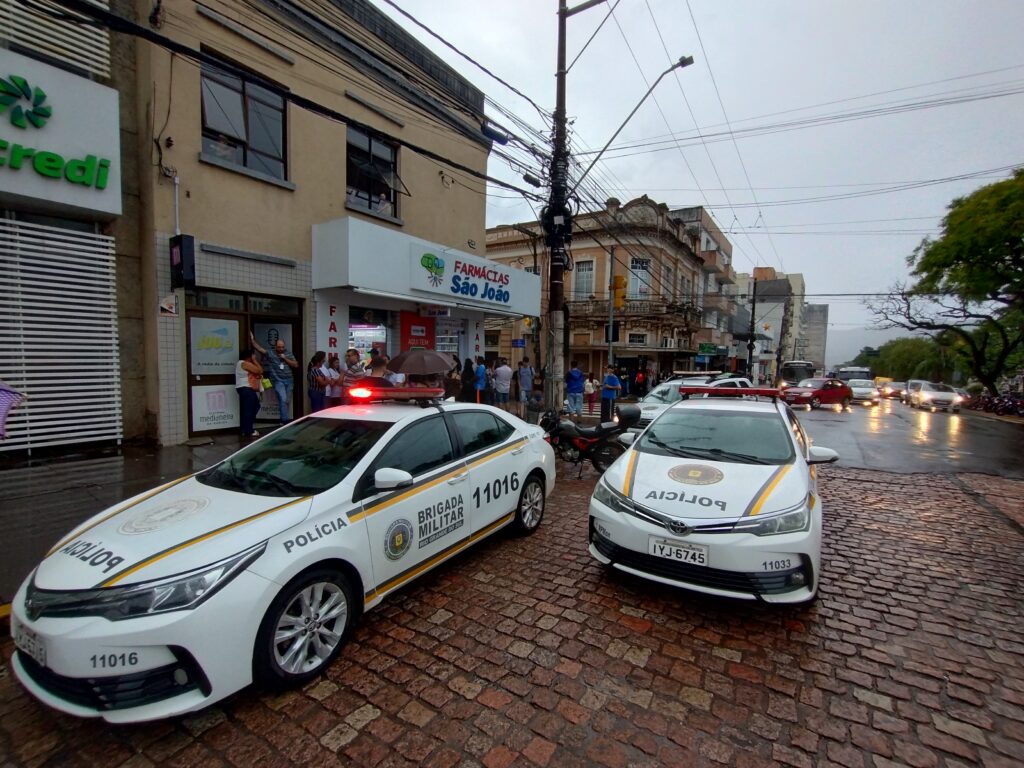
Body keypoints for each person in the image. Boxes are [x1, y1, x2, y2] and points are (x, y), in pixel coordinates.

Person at [250, 331, 298, 425]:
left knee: (285, 401)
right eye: (279, 347)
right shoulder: (271, 353)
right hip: (278, 381)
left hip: (289, 380)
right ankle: (285, 421)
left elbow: (296, 365)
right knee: (283, 399)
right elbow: (259, 349)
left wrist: (285, 358)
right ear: (276, 346)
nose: (281, 348)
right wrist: (252, 339)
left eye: (282, 347)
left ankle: (282, 420)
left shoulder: (288, 353)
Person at [235, 348, 262, 438]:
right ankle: (248, 430)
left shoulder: (241, 363)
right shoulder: (244, 363)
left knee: (250, 408)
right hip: (246, 388)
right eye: (252, 356)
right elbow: (259, 370)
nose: (253, 358)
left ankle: (245, 429)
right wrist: (254, 360)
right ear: (249, 357)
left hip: (244, 389)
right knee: (251, 409)